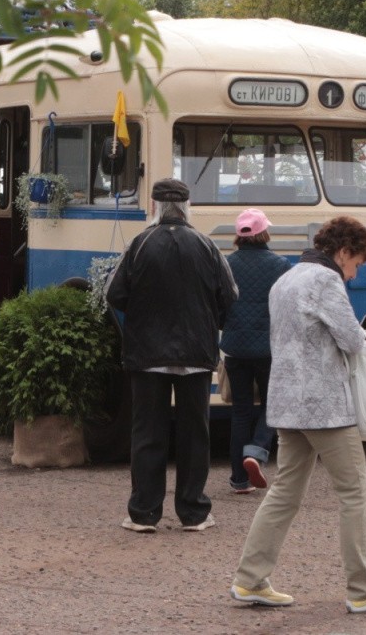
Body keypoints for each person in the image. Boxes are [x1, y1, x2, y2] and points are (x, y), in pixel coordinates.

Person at [230, 216, 366, 614]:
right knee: (354, 492)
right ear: (343, 252)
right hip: (325, 406)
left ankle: (250, 578)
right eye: (356, 263)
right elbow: (349, 339)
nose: (354, 273)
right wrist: (364, 336)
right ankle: (363, 590)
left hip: (286, 402)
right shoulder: (326, 281)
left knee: (285, 492)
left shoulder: (286, 279)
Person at [107, 177, 237, 533]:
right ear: (186, 206)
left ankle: (144, 513)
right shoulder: (207, 244)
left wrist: (142, 314)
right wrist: (210, 322)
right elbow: (230, 295)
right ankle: (193, 513)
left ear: (155, 207)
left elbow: (113, 294)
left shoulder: (139, 243)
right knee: (196, 433)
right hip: (197, 353)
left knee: (148, 432)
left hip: (147, 355)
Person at [219, 208, 290, 493]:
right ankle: (257, 450)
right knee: (274, 405)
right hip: (269, 349)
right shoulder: (280, 265)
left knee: (241, 411)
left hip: (235, 348)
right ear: (264, 232)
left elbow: (219, 303)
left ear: (239, 235)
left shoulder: (226, 264)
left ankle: (239, 479)